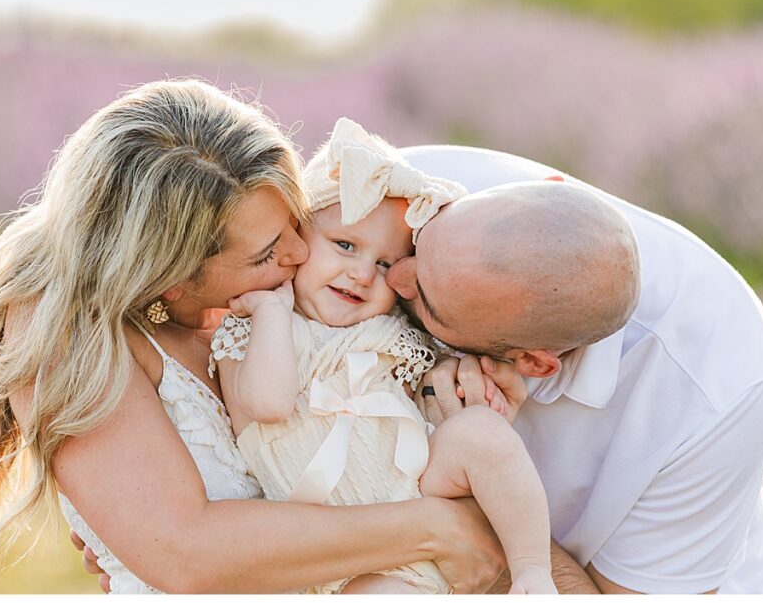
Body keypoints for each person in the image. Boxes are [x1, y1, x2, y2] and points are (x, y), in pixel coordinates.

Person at [0, 80, 525, 595]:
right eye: (267, 253)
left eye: (297, 225)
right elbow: (184, 552)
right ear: (167, 280)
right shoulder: (61, 330)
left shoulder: (264, 304)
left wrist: (439, 386)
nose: (299, 255)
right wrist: (432, 529)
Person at [388, 144, 763, 594]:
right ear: (550, 189)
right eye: (421, 242)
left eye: (426, 300)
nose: (389, 276)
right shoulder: (415, 186)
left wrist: (480, 478)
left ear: (533, 362)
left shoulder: (718, 387)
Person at [209, 118, 556, 594]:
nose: (361, 274)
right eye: (345, 245)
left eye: (385, 263)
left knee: (483, 435)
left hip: (415, 487)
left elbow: (434, 398)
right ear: (296, 239)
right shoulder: (255, 324)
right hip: (344, 548)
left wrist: (466, 386)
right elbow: (268, 405)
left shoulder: (390, 330)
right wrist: (273, 310)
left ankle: (534, 574)